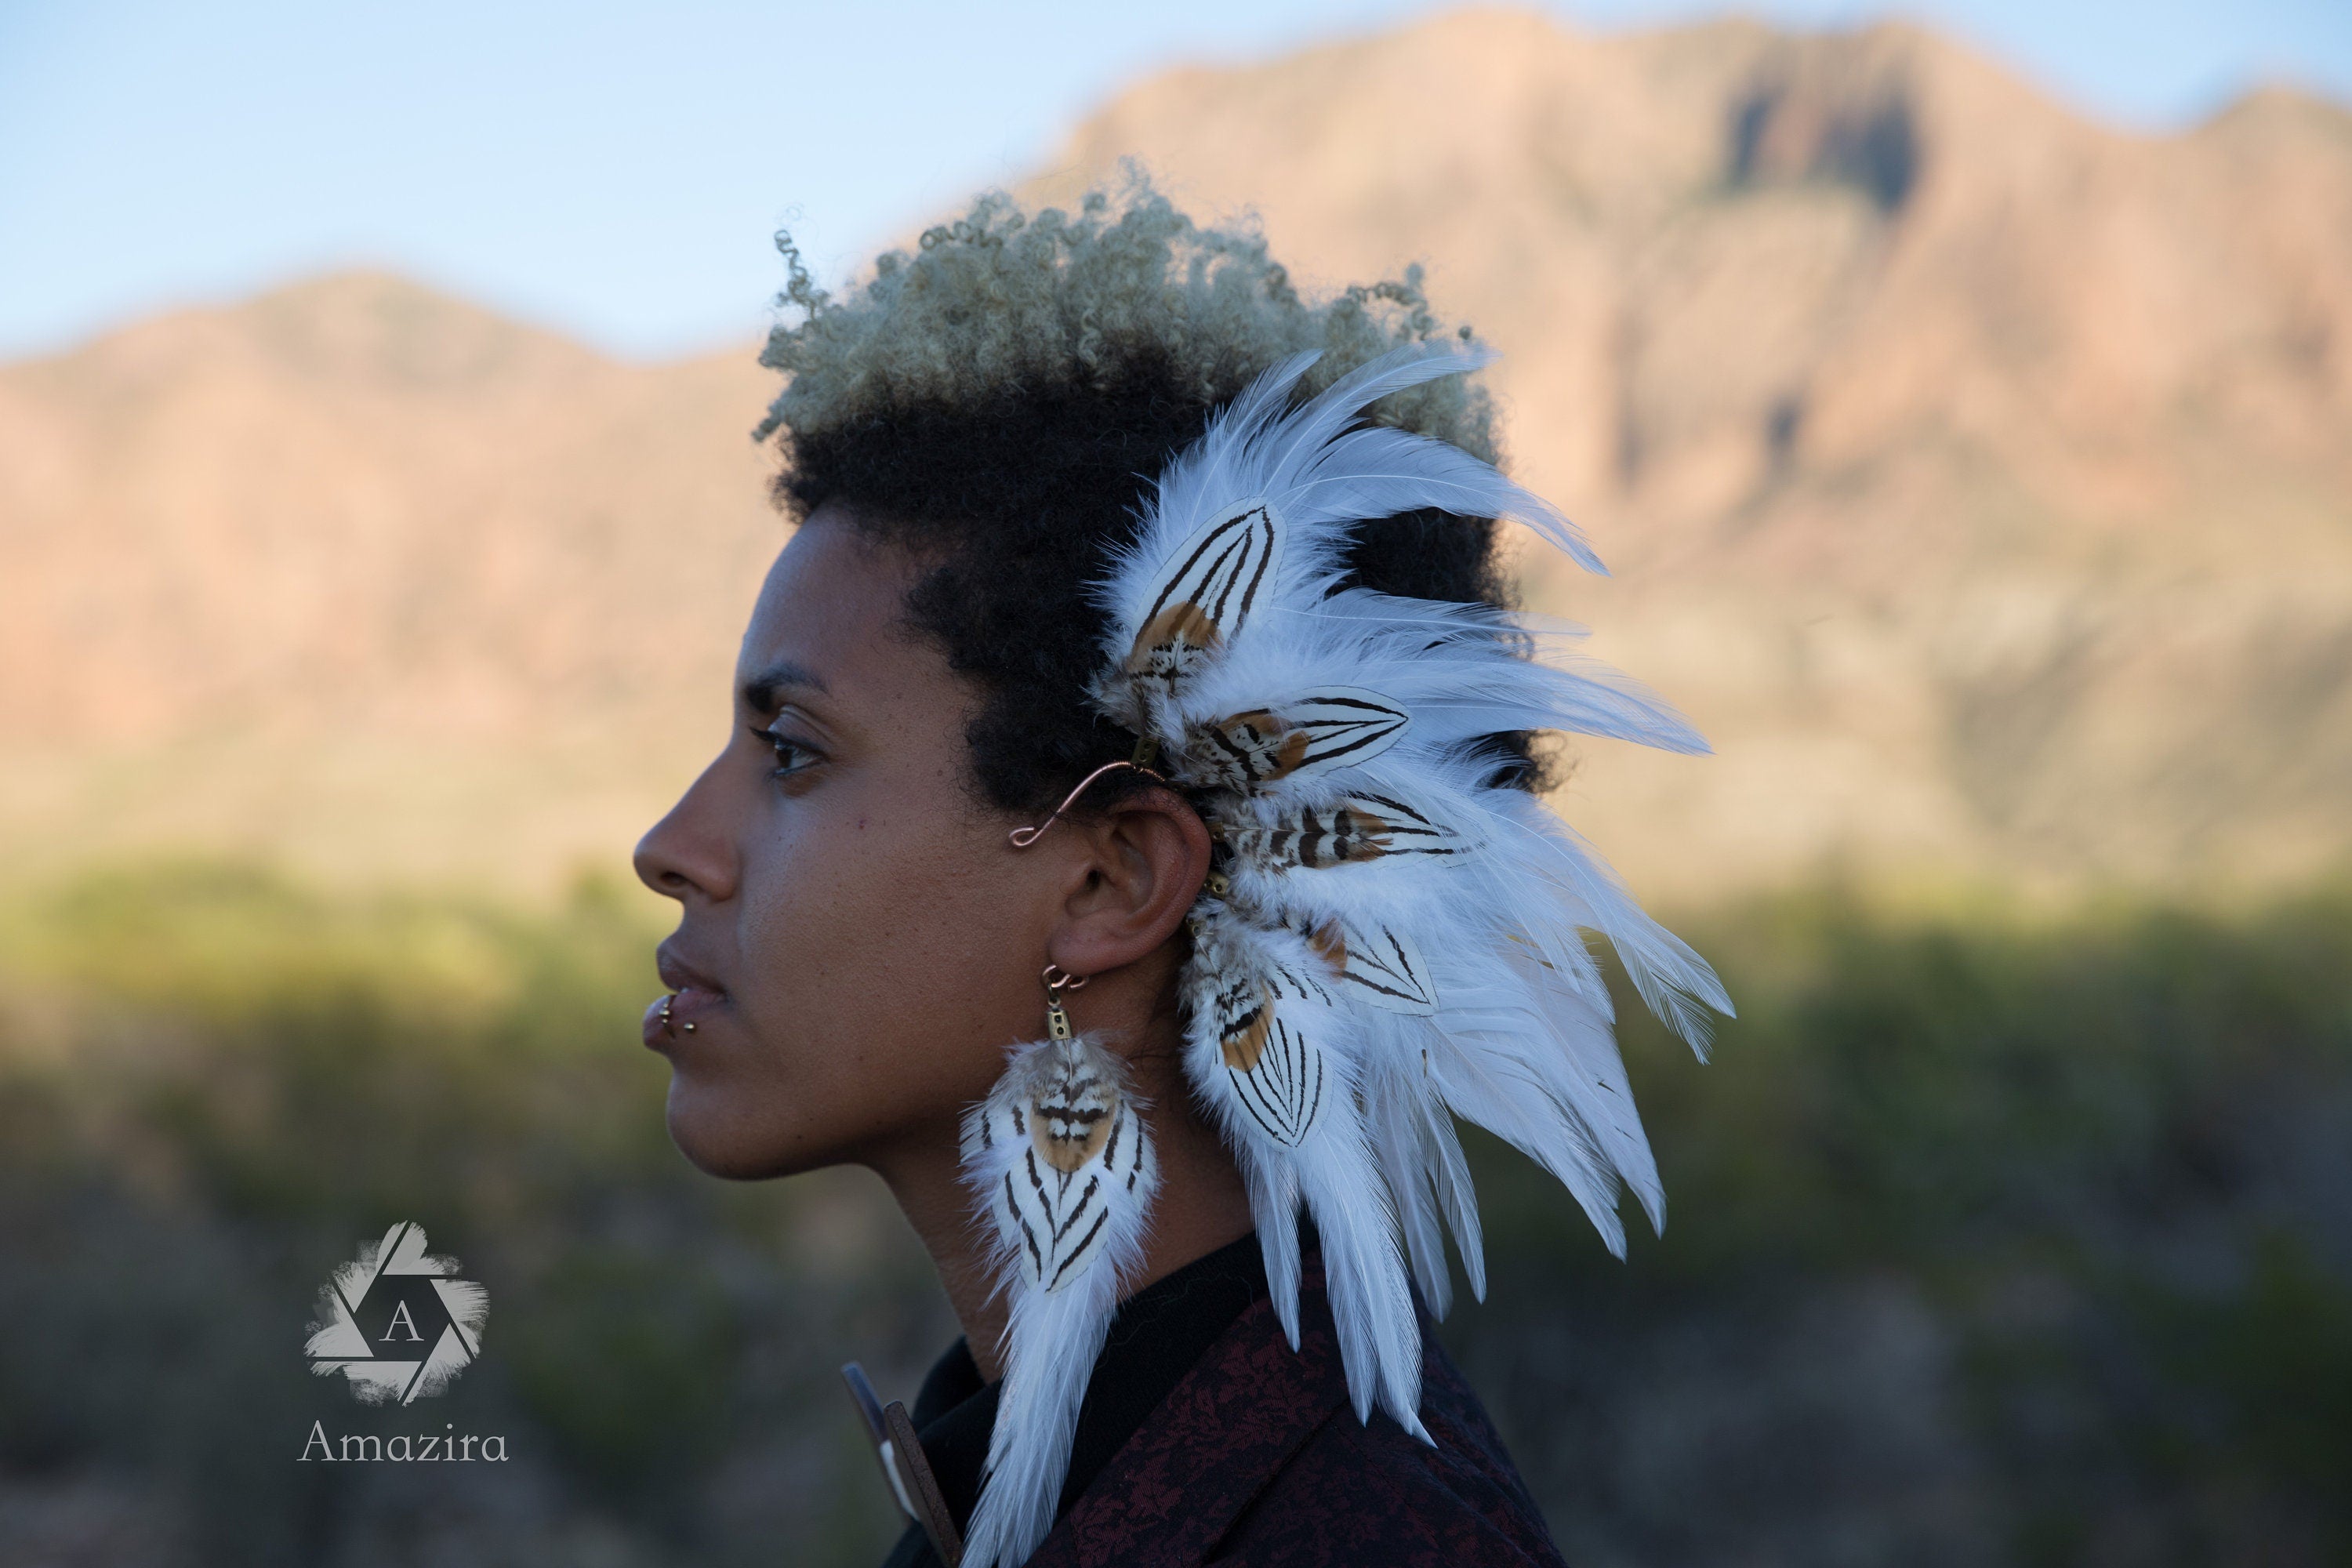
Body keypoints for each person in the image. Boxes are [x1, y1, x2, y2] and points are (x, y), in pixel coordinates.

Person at [632, 180, 1726, 1567]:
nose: (672, 848)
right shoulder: (1063, 1478)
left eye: (791, 753)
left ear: (1113, 881)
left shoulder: (1356, 1540)